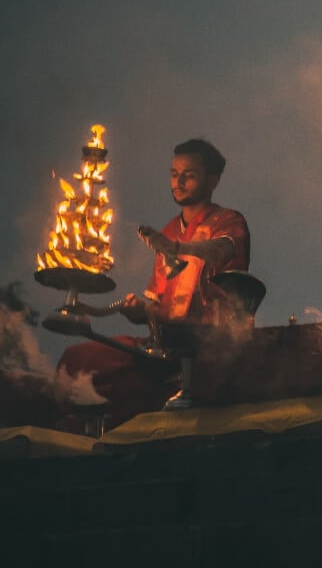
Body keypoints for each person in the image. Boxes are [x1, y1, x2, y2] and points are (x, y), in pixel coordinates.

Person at [55, 138, 250, 421]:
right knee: (76, 361)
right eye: (174, 174)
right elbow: (155, 307)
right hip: (161, 348)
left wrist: (175, 249)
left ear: (212, 181)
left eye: (189, 175)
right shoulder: (168, 231)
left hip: (208, 347)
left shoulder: (228, 221)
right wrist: (138, 310)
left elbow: (222, 250)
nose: (178, 182)